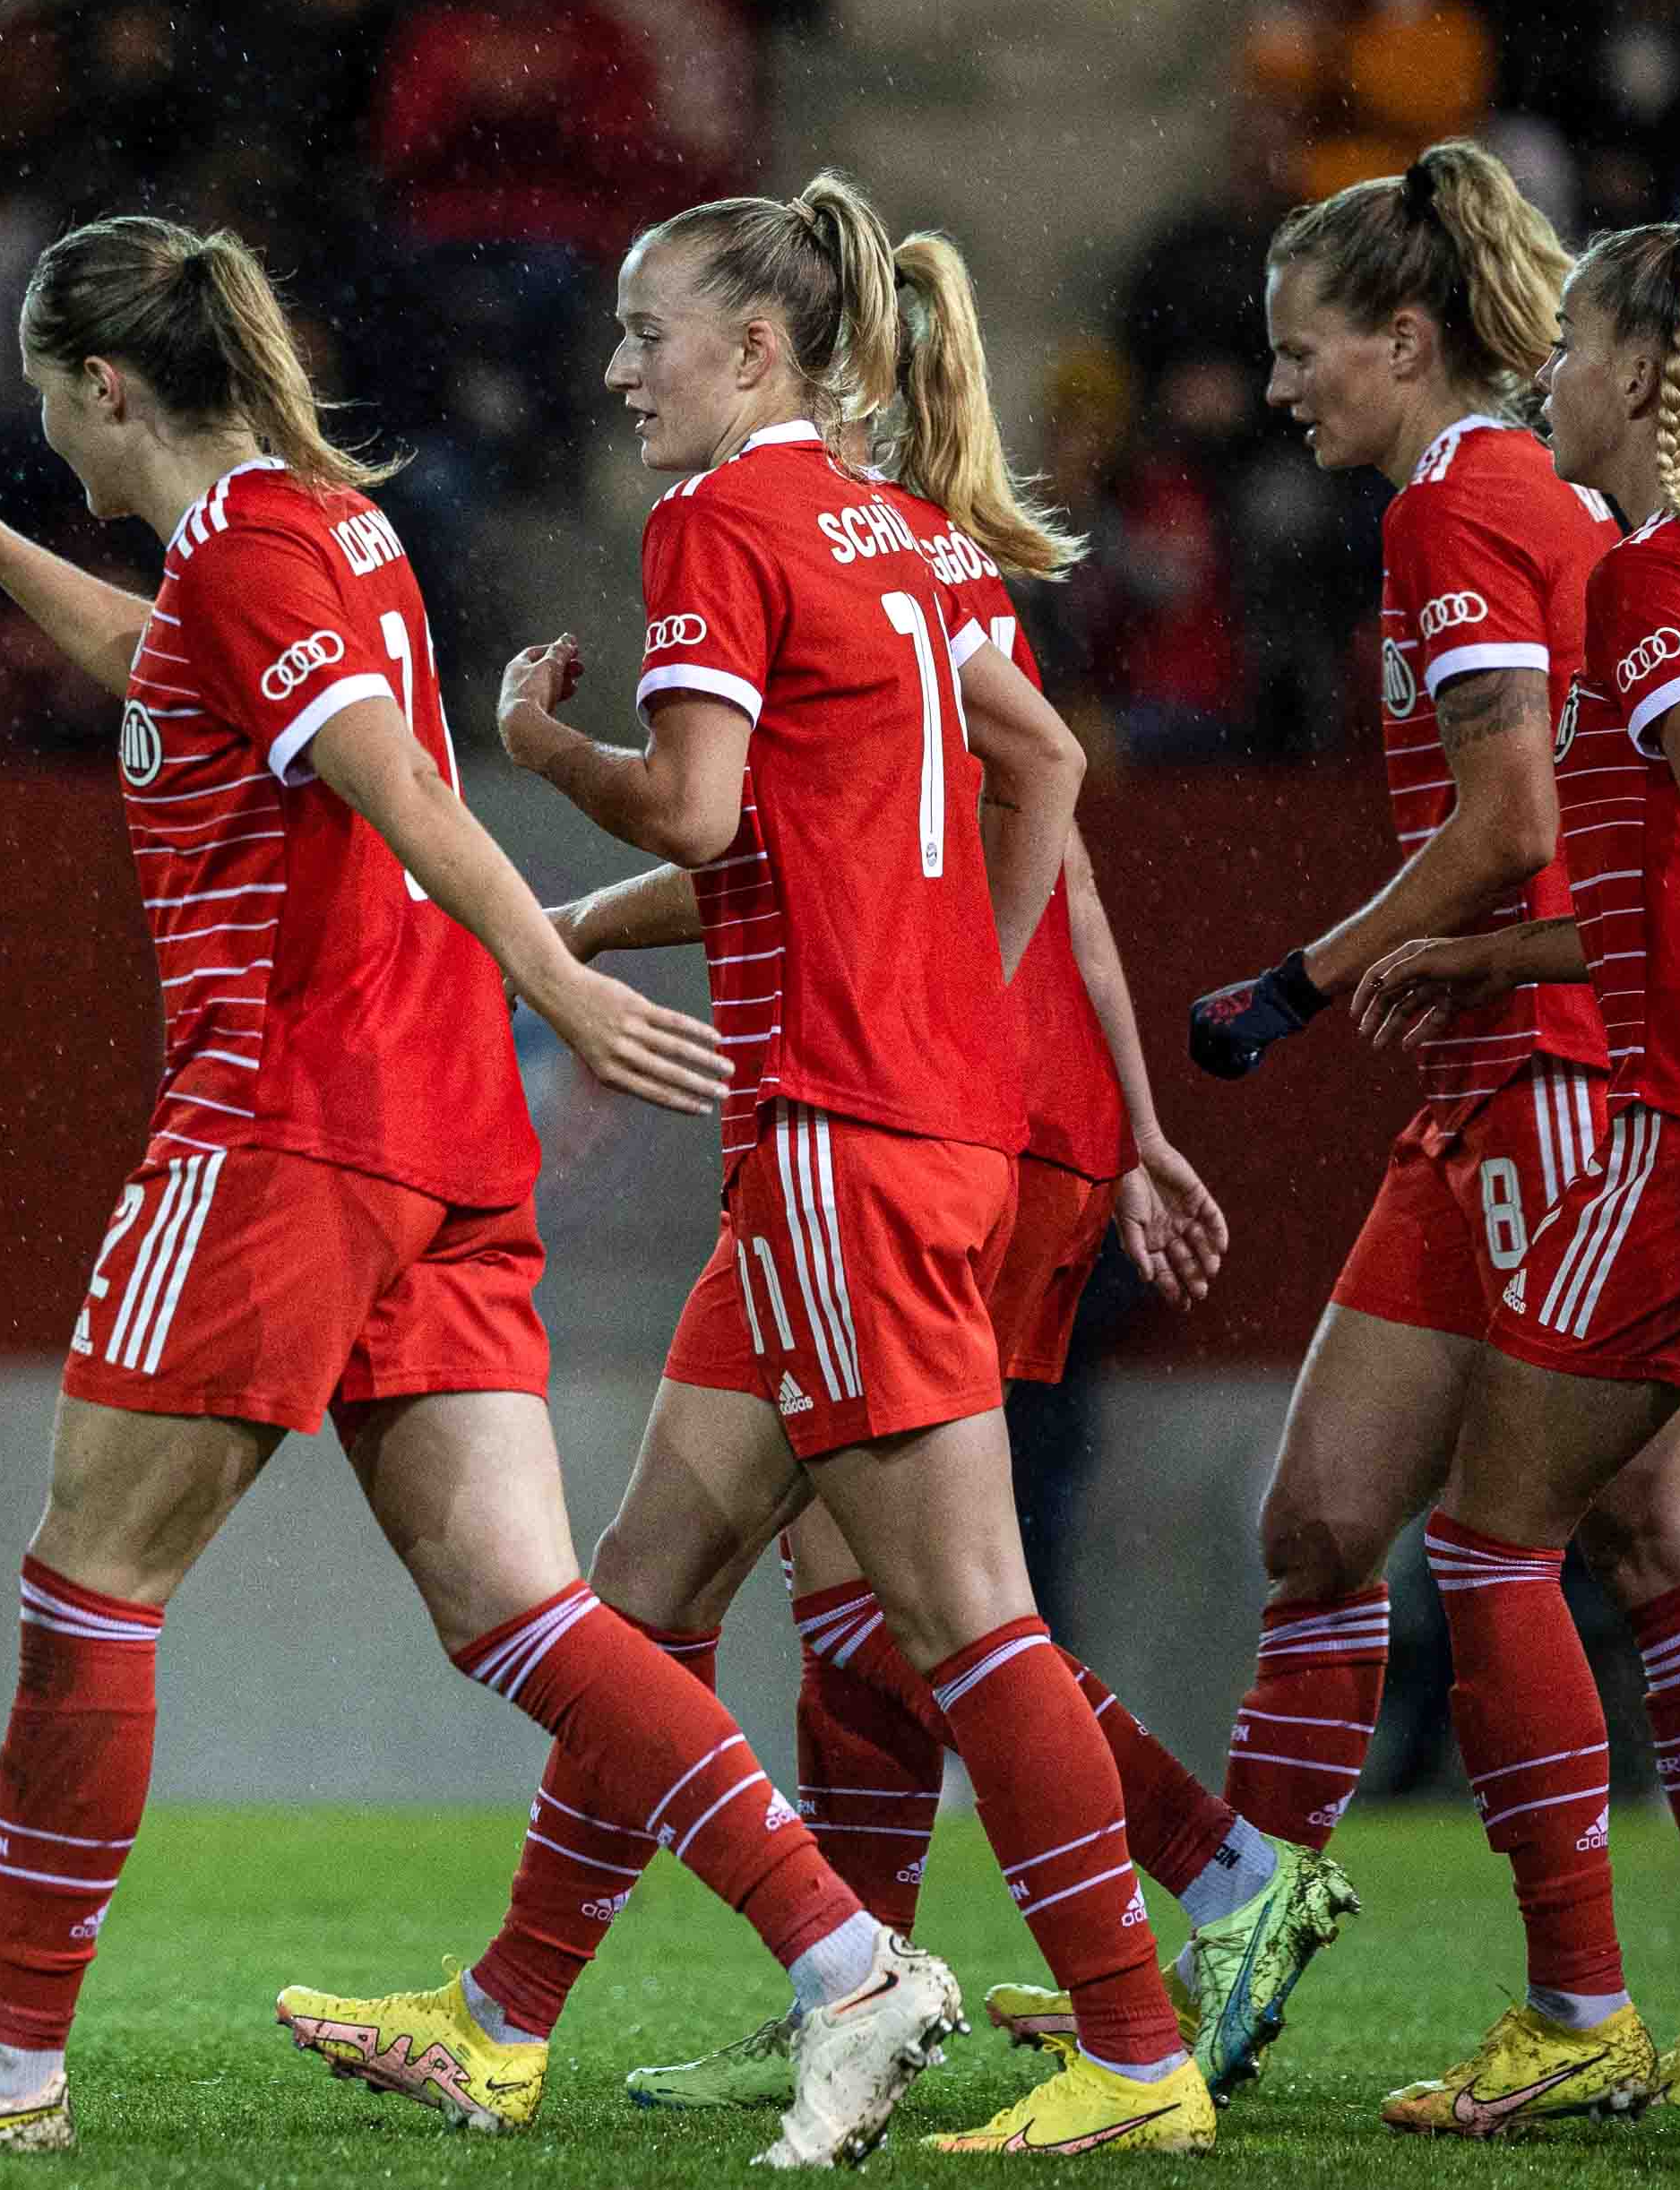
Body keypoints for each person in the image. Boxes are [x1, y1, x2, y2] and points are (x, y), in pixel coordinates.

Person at [0, 214, 960, 2168]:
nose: (45, 436)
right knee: (520, 1606)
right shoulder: (315, 535)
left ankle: (1, 2064)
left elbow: (399, 785)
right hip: (439, 1141)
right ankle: (848, 1961)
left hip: (283, 1126)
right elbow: (179, 667)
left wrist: (561, 977)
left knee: (88, 1578)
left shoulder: (249, 549)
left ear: (103, 387)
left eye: (52, 407)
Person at [538, 222, 1351, 2117]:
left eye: (642, 332)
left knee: (948, 1619)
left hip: (857, 1130)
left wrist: (530, 755)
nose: (615, 372)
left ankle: (1139, 2013)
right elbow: (1045, 782)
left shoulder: (734, 533)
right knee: (663, 1587)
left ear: (759, 342)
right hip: (939, 1115)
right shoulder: (920, 547)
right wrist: (987, 1018)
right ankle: (522, 2011)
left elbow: (701, 813)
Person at [1182, 139, 1680, 1924]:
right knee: (1331, 1519)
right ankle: (1253, 1926)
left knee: (1581, 1540)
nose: (1278, 386)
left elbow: (1518, 814)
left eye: (1303, 349)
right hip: (1533, 1063)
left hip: (1560, 1082)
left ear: (1406, 337)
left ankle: (1594, 1990)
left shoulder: (1465, 503)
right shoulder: (1538, 502)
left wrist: (1308, 972)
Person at [1350, 181, 1680, 2137]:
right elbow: (1651, 881)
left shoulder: (1650, 577)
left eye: (1564, 357)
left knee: (1484, 1534)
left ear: (1632, 374)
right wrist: (1471, 948)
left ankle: (1573, 2009)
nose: (1540, 382)